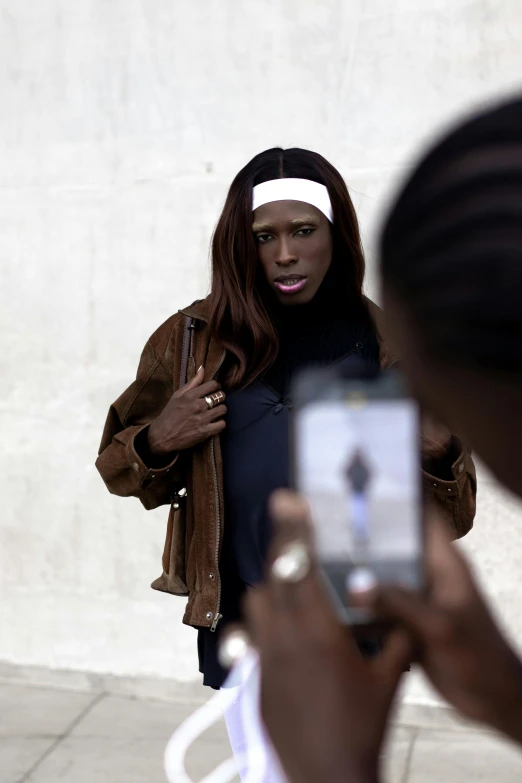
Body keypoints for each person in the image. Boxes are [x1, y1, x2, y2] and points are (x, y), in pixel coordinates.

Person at [244, 96, 522, 783]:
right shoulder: (193, 340)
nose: (284, 252)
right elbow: (126, 460)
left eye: (304, 230)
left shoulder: (377, 339)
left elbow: (452, 512)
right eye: (262, 235)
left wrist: (337, 771)